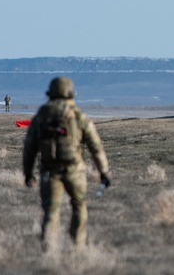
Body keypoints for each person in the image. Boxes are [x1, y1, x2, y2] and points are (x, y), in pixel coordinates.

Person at [22, 76, 112, 251]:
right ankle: (77, 246)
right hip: (75, 171)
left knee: (51, 211)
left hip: (50, 172)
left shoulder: (42, 115)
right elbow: (96, 146)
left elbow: (29, 147)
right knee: (79, 205)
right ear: (71, 93)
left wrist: (27, 172)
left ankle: (49, 250)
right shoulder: (78, 115)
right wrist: (104, 171)